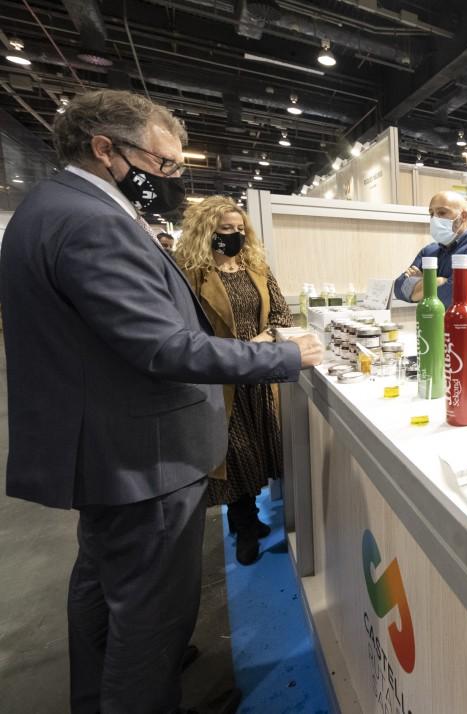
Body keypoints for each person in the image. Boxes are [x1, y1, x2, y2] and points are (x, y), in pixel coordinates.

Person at [0, 90, 323, 714]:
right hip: (140, 456)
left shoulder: (51, 207)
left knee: (103, 591)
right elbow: (165, 347)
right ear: (105, 149)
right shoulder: (94, 222)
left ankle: (101, 698)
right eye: (164, 163)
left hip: (108, 449)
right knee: (150, 617)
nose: (173, 177)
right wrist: (283, 357)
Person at [175, 196, 294, 566]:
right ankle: (244, 527)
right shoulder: (191, 273)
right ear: (206, 230)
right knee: (235, 455)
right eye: (226, 229)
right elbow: (185, 332)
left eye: (240, 229)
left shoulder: (256, 267)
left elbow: (281, 315)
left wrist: (262, 341)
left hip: (259, 375)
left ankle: (251, 518)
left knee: (261, 449)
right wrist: (236, 351)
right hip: (220, 379)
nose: (235, 235)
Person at [393, 191, 467, 350]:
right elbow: (399, 287)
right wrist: (437, 281)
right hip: (437, 347)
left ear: (463, 216)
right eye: (431, 214)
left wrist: (422, 284)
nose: (434, 219)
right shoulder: (430, 251)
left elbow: (447, 297)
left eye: (442, 212)